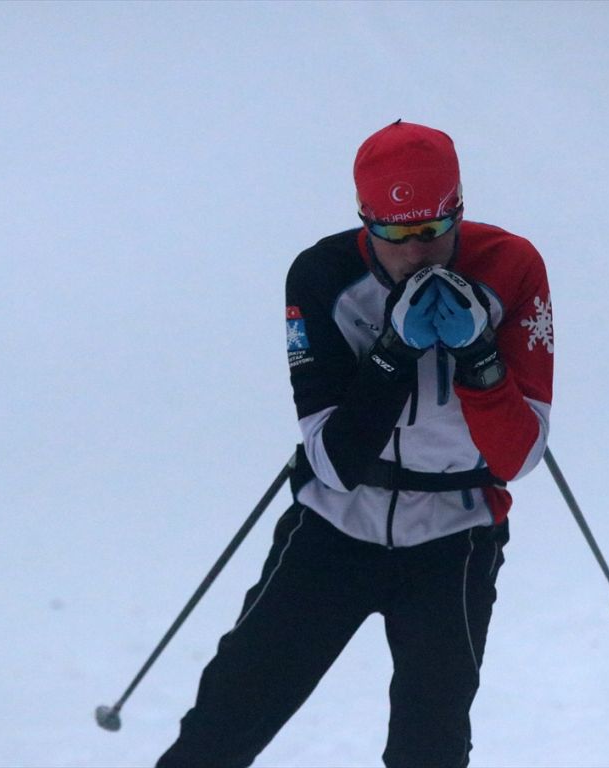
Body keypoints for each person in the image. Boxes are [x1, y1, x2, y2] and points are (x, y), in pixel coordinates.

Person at [157, 120, 554, 768]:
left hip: (453, 537)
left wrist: (479, 355)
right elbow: (335, 462)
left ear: (459, 210)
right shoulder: (321, 276)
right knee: (226, 718)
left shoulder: (511, 268)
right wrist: (394, 353)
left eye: (433, 231)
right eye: (395, 235)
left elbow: (518, 456)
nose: (417, 253)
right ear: (366, 221)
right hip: (335, 528)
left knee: (432, 747)